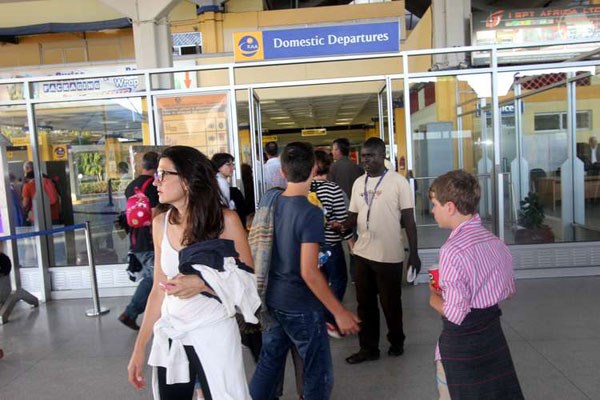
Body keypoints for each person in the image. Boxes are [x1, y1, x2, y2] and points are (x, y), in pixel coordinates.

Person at [127, 146, 257, 399]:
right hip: (172, 333)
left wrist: (203, 283)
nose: (156, 181)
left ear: (186, 180)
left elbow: (249, 282)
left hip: (214, 332)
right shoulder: (159, 224)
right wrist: (139, 348)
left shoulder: (225, 220)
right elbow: (157, 290)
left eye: (164, 174)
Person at [249, 142, 360, 400]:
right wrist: (338, 310)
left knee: (269, 364)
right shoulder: (310, 212)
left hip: (272, 298)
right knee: (317, 373)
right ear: (313, 169)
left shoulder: (272, 202)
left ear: (284, 173)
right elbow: (308, 271)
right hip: (300, 304)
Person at [428, 170, 523, 399]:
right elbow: (509, 291)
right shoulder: (496, 242)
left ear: (449, 207)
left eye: (434, 204)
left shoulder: (452, 250)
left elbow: (456, 313)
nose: (432, 211)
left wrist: (434, 298)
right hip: (492, 337)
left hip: (463, 347)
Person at [331, 137, 421, 365]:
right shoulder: (358, 183)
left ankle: (396, 341)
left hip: (389, 255)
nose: (366, 160)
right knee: (365, 304)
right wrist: (343, 224)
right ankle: (368, 348)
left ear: (382, 156)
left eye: (371, 156)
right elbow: (354, 215)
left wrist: (414, 253)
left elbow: (409, 220)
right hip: (363, 253)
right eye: (363, 156)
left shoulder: (398, 182)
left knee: (391, 304)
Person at [310, 150, 353, 338]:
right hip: (331, 246)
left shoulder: (306, 189)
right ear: (329, 166)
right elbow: (343, 221)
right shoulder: (334, 190)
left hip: (310, 247)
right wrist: (350, 241)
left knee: (316, 282)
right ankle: (330, 317)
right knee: (338, 280)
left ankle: (319, 319)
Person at [118, 151, 159, 331]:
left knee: (155, 275)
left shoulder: (131, 186)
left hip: (136, 238)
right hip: (150, 239)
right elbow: (156, 214)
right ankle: (130, 312)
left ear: (143, 165)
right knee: (154, 277)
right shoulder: (154, 186)